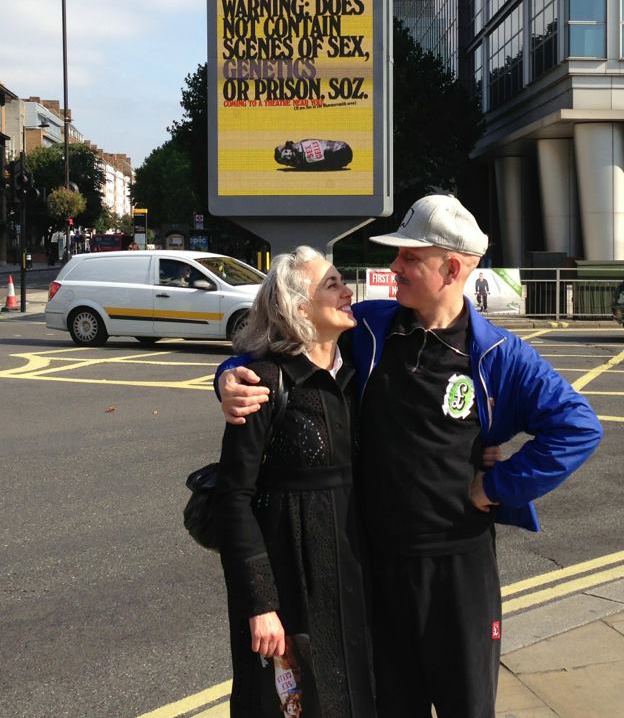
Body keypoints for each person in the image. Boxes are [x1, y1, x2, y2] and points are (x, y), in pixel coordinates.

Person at [217, 194, 602, 718]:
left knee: (466, 706)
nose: (392, 268)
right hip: (376, 569)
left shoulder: (499, 356)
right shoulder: (372, 328)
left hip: (457, 570)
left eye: (407, 258)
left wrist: (497, 486)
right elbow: (287, 339)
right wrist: (229, 378)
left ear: (449, 268)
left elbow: (578, 427)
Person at [213, 246, 376, 718]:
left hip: (356, 576)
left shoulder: (357, 374)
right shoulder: (263, 381)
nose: (349, 292)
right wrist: (259, 603)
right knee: (289, 705)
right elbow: (233, 498)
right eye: (333, 284)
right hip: (291, 581)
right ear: (298, 307)